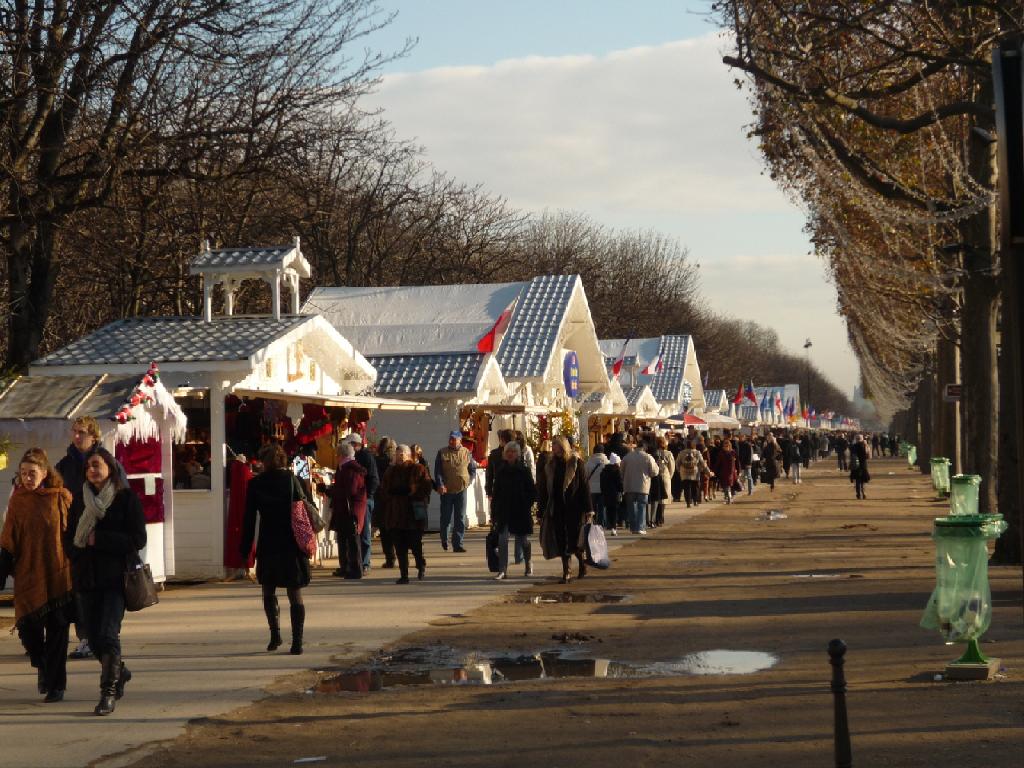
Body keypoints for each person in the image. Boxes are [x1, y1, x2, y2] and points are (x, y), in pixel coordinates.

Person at [66, 447, 146, 715]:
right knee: (93, 638)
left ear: (110, 468)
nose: (92, 469)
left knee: (108, 634)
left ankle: (107, 693)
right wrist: (75, 553)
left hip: (115, 579)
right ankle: (119, 671)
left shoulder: (125, 499)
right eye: (88, 466)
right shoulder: (79, 500)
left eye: (97, 464)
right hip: (86, 579)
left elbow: (138, 540)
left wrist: (99, 540)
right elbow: (68, 537)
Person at [0, 449, 74, 703]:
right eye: (23, 474)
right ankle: (41, 663)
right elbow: (8, 539)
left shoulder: (60, 498)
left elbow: (72, 533)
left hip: (58, 574)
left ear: (44, 474)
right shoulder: (18, 501)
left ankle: (56, 684)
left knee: (57, 631)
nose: (27, 478)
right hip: (28, 574)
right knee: (29, 630)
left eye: (32, 473)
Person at [241, 443, 310, 656]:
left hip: (268, 541)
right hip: (290, 541)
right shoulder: (291, 480)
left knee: (268, 590)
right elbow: (304, 507)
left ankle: (274, 635)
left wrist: (245, 550)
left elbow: (249, 519)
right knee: (294, 592)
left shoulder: (256, 484)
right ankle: (297, 641)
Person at [537, 436, 590, 583]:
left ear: (563, 446)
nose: (553, 448)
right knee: (560, 539)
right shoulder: (550, 465)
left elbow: (585, 486)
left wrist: (588, 509)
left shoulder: (575, 463)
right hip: (557, 507)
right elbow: (543, 490)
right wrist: (540, 511)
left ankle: (581, 563)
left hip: (574, 508)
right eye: (553, 445)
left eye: (556, 445)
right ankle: (566, 571)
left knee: (574, 540)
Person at [382, 444, 433, 584]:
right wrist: (392, 493)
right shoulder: (390, 472)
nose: (400, 457)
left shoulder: (418, 469)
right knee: (400, 547)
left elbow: (426, 487)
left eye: (402, 454)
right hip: (396, 515)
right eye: (397, 454)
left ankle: (420, 565)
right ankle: (404, 575)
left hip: (412, 516)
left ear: (409, 455)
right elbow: (384, 489)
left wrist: (412, 492)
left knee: (415, 544)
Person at [490, 441, 536, 579]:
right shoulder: (501, 470)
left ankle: (528, 563)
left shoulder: (524, 470)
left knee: (523, 541)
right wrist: (494, 512)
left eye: (513, 451)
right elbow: (496, 492)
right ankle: (502, 569)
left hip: (520, 510)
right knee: (502, 540)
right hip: (504, 510)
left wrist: (526, 503)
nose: (510, 454)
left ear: (518, 454)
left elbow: (532, 491)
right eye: (508, 451)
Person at [433, 430, 478, 553]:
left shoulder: (467, 453)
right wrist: (440, 484)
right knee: (446, 518)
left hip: (461, 490)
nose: (452, 441)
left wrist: (469, 481)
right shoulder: (442, 452)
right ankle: (444, 540)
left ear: (460, 440)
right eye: (450, 439)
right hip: (447, 491)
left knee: (460, 517)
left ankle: (458, 544)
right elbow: (438, 472)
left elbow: (473, 469)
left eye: (454, 439)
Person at [329, 442, 367, 580]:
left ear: (342, 455)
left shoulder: (350, 469)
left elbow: (350, 491)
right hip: (346, 509)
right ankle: (346, 567)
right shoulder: (346, 468)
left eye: (337, 455)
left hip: (351, 510)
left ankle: (356, 569)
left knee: (352, 540)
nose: (336, 457)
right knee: (344, 539)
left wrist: (331, 490)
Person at [345, 434, 379, 575]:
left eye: (351, 444)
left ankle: (365, 563)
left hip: (364, 499)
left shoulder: (366, 457)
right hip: (357, 499)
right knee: (356, 532)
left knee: (364, 531)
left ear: (356, 444)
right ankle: (357, 562)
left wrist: (368, 495)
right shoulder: (351, 458)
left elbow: (374, 479)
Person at [620, 439, 658, 534]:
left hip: (629, 486)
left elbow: (621, 471)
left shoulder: (627, 457)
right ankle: (640, 527)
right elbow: (654, 472)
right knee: (641, 506)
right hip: (643, 486)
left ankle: (633, 527)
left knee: (631, 507)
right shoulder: (648, 457)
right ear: (644, 448)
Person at [374, 437, 397, 568]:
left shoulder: (376, 462)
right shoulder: (395, 464)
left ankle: (390, 558)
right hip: (394, 500)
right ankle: (400, 556)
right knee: (396, 530)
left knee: (385, 531)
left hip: (382, 500)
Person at [649, 436, 675, 527]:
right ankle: (661, 517)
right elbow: (672, 467)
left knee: (657, 499)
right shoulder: (668, 454)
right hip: (665, 476)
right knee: (663, 499)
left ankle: (655, 518)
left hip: (655, 477)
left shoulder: (652, 453)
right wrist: (669, 476)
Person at [583, 445, 609, 528]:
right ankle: (601, 523)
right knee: (602, 507)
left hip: (591, 488)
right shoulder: (607, 462)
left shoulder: (588, 463)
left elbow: (585, 476)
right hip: (603, 488)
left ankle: (592, 523)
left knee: (592, 507)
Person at [599, 453, 624, 535]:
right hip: (615, 494)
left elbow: (601, 483)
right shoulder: (616, 471)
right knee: (614, 511)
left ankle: (609, 525)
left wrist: (603, 491)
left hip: (606, 493)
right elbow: (619, 483)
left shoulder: (604, 471)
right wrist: (621, 490)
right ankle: (613, 527)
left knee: (608, 510)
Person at [676, 440, 705, 508]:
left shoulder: (682, 453)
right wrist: (705, 470)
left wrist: (678, 470)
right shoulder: (697, 453)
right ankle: (695, 501)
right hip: (695, 473)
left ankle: (688, 503)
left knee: (687, 488)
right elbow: (702, 462)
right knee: (695, 488)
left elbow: (677, 462)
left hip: (684, 473)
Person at [712, 440, 739, 504]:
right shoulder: (721, 453)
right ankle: (728, 498)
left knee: (728, 486)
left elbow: (737, 463)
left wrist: (738, 470)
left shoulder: (733, 453)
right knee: (726, 486)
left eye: (727, 446)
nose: (726, 447)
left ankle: (729, 498)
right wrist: (715, 471)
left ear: (730, 446)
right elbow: (718, 463)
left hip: (731, 472)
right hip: (724, 472)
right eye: (724, 446)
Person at [850, 434, 871, 499]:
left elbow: (851, 456)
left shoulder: (853, 446)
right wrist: (866, 445)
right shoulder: (864, 446)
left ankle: (858, 494)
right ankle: (863, 493)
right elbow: (869, 456)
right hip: (863, 464)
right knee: (863, 480)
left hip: (855, 465)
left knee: (857, 480)